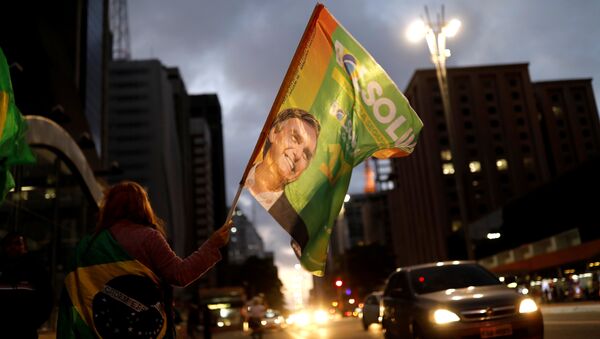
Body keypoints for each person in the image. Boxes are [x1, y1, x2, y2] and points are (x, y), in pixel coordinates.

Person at [57, 181, 232, 338]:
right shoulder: (148, 238)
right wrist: (212, 245)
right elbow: (180, 274)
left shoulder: (86, 246)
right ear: (142, 206)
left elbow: (72, 295)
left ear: (108, 207)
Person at [245, 108, 321, 256]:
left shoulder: (300, 224)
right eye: (295, 138)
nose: (298, 154)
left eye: (306, 154)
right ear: (274, 133)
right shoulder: (240, 180)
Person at [0, 232, 53, 339]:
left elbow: (47, 297)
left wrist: (34, 322)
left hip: (26, 331)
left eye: (17, 243)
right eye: (9, 244)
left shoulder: (36, 268)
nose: (13, 247)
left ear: (25, 246)